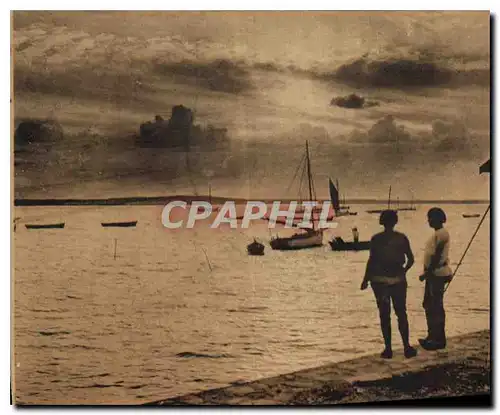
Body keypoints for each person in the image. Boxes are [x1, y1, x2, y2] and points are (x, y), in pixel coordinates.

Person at [361, 210, 417, 359]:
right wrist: (404, 271)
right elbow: (411, 259)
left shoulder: (376, 239)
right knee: (401, 313)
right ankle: (406, 347)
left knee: (384, 315)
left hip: (379, 281)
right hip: (398, 280)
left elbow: (371, 261)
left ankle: (388, 349)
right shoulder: (402, 238)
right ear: (395, 221)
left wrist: (365, 280)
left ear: (382, 222)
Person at [419, 207, 452, 350]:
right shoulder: (438, 234)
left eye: (430, 218)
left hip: (436, 274)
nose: (428, 221)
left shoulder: (442, 234)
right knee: (428, 304)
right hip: (433, 274)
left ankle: (438, 339)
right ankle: (432, 336)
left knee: (435, 306)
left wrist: (427, 273)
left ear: (438, 219)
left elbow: (437, 256)